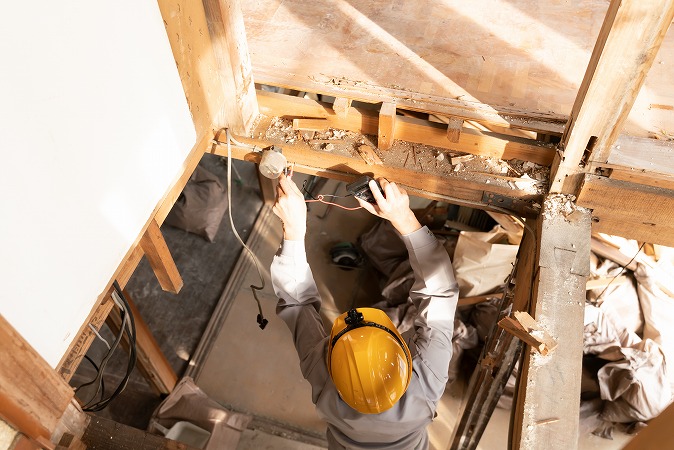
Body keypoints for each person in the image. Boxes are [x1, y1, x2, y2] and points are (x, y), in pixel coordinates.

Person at [270, 174, 459, 450]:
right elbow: (439, 293)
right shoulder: (425, 381)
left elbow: (296, 304)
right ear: (403, 350)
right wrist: (404, 219)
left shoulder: (325, 375)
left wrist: (293, 229)